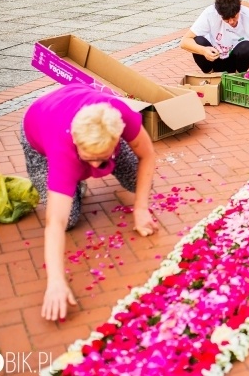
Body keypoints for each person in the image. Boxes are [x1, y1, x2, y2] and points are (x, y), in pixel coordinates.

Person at [20, 83, 158, 321]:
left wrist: (141, 207)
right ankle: (70, 185)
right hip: (40, 128)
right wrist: (55, 282)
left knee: (139, 183)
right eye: (89, 159)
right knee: (69, 218)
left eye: (101, 158)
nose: (95, 166)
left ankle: (84, 170)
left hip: (82, 111)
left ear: (117, 138)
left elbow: (148, 155)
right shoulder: (61, 147)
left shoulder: (120, 116)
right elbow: (55, 223)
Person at [180, 0, 249, 81]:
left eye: (234, 17)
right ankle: (212, 77)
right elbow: (184, 42)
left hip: (234, 62)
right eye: (226, 19)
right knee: (198, 40)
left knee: (247, 47)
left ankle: (236, 78)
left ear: (239, 8)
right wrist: (203, 51)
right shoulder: (210, 13)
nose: (231, 22)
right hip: (213, 58)